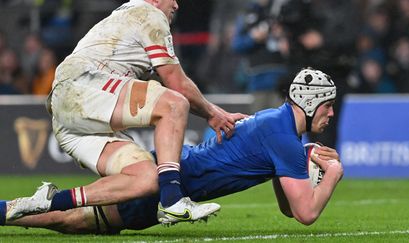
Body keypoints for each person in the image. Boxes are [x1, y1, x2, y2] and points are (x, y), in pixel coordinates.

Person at [0, 67, 344, 233]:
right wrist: (333, 175)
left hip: (174, 171)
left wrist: (298, 163)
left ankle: (15, 208)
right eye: (328, 106)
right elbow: (305, 214)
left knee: (74, 219)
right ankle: (21, 206)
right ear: (311, 102)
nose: (331, 114)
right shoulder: (284, 137)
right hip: (168, 186)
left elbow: (287, 206)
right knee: (72, 219)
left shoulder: (276, 124)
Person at [5, 0, 246, 225]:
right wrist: (214, 114)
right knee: (174, 104)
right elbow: (177, 83)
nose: (176, 4)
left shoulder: (127, 18)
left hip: (69, 119)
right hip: (80, 87)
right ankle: (173, 199)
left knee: (146, 179)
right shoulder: (149, 13)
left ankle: (44, 201)